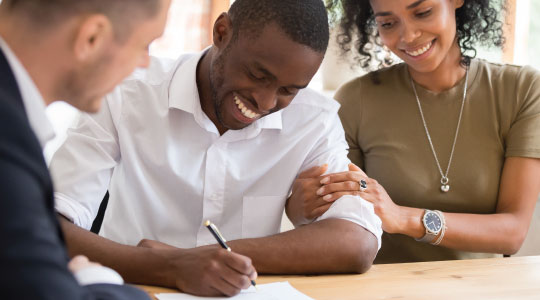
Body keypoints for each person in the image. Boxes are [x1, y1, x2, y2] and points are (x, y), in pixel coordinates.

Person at [49, 0, 382, 297]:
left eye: (288, 90)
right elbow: (50, 224)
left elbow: (356, 242)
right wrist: (167, 267)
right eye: (257, 74)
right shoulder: (126, 94)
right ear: (222, 32)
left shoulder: (313, 121)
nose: (265, 102)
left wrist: (204, 259)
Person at [287, 0, 540, 263]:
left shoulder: (521, 90)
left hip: (482, 289)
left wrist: (403, 218)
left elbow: (513, 233)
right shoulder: (356, 101)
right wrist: (300, 210)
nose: (407, 36)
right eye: (388, 23)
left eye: (422, 13)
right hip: (382, 288)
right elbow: (337, 221)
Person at [0, 0, 171, 299]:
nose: (145, 62)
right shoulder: (8, 145)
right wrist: (94, 278)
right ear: (91, 38)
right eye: (145, 44)